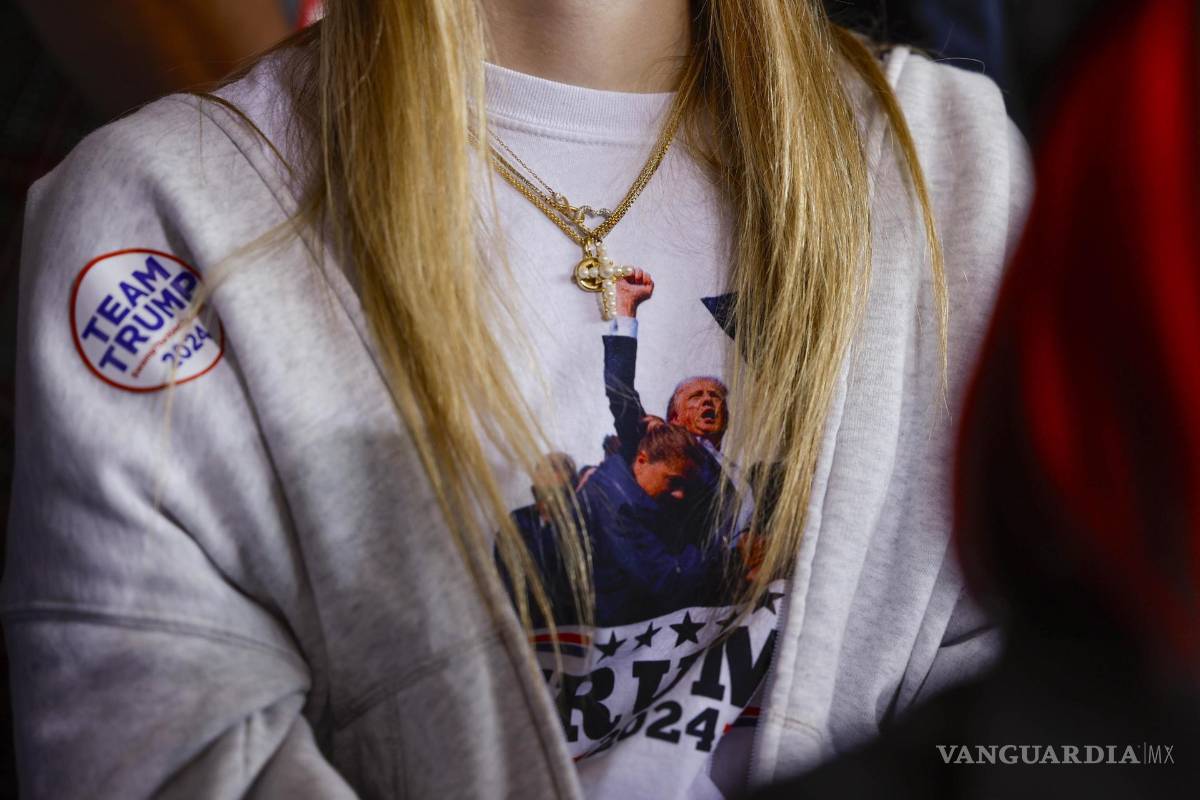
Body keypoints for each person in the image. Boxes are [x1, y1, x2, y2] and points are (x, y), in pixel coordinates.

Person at [2, 0, 1030, 797]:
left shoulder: (951, 167)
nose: (701, 420)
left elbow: (1046, 708)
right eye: (696, 416)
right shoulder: (167, 214)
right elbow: (172, 757)